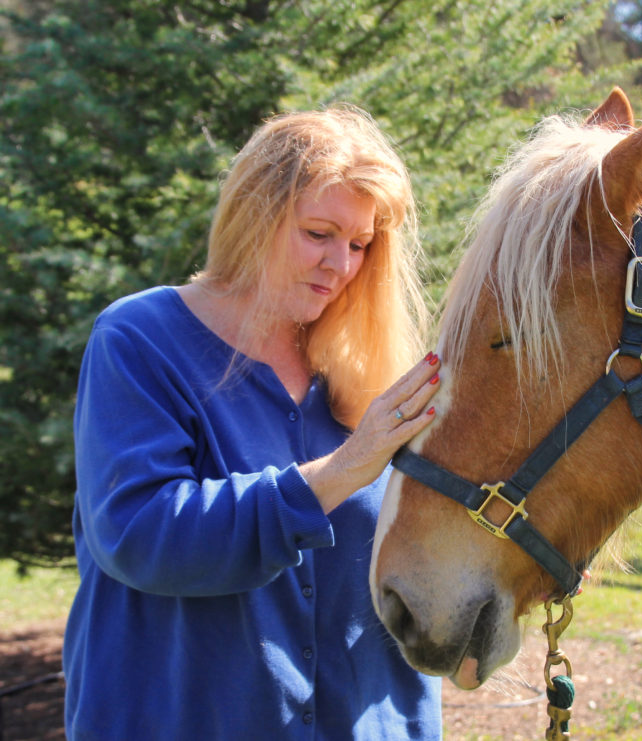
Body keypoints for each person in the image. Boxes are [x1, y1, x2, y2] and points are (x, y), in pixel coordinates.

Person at [63, 106, 443, 740]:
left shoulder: (367, 368)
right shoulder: (138, 340)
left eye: (360, 243)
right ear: (253, 216)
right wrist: (340, 471)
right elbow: (139, 533)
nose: (340, 265)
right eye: (318, 232)